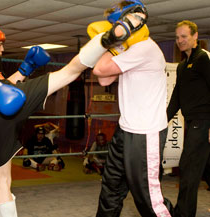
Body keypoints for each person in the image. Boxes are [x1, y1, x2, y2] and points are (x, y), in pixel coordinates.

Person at [0, 12, 143, 217]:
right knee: (70, 72)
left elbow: (3, 84)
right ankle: (109, 37)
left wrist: (25, 69)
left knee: (3, 180)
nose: (2, 48)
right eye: (0, 44)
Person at [91, 1, 174, 216]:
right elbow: (103, 80)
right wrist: (117, 44)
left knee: (148, 199)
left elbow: (100, 69)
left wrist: (112, 42)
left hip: (145, 133)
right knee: (111, 189)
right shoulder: (130, 49)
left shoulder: (146, 48)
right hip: (125, 130)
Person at [167, 20, 210, 217]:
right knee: (202, 167)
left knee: (188, 167)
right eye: (177, 37)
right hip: (192, 121)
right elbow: (177, 96)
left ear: (195, 37)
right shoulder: (183, 66)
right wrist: (162, 121)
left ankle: (183, 213)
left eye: (184, 36)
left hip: (203, 120)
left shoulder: (202, 59)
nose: (180, 40)